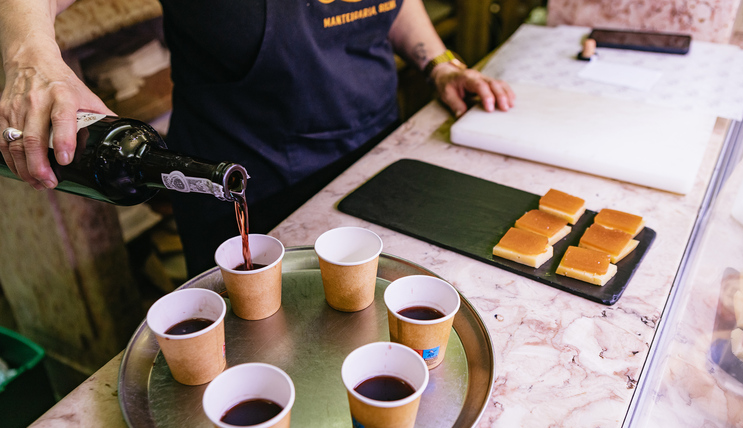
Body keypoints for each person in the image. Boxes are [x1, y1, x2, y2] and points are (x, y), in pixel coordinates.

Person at [0, 0, 515, 277]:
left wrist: (440, 63)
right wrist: (32, 57)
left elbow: (392, 4)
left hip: (374, 156)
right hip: (241, 182)